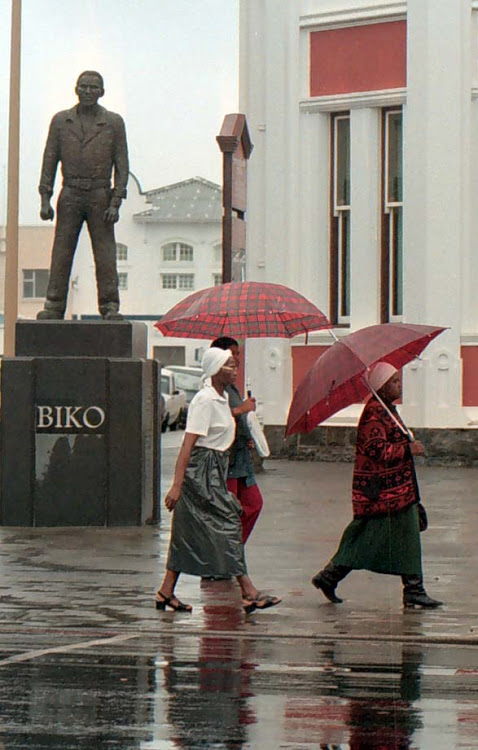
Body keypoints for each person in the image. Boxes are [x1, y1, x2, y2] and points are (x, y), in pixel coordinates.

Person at [155, 347, 281, 614]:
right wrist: (177, 485)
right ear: (214, 370)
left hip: (217, 468)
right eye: (229, 366)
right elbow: (188, 445)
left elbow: (222, 431)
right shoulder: (204, 400)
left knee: (187, 532)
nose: (235, 369)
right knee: (229, 523)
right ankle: (248, 591)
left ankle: (166, 591)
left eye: (235, 365)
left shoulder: (222, 399)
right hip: (201, 471)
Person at [311, 362, 443, 609]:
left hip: (398, 490)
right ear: (381, 387)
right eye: (393, 381)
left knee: (398, 537)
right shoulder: (374, 413)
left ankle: (411, 588)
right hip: (383, 492)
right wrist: (408, 449)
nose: (399, 384)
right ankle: (411, 589)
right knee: (371, 538)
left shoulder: (387, 410)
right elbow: (376, 449)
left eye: (398, 380)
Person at [37, 70, 129, 320]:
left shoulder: (113, 122)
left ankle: (110, 306)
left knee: (105, 253)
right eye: (84, 87)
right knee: (61, 251)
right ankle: (54, 306)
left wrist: (116, 200)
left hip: (101, 194)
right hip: (70, 192)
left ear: (102, 92)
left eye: (94, 87)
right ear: (76, 89)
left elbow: (122, 164)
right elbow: (50, 159)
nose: (88, 91)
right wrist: (45, 197)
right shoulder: (61, 121)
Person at [211, 337, 264, 543]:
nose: (237, 358)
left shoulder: (231, 387)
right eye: (233, 353)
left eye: (239, 353)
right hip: (228, 460)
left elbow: (234, 416)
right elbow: (217, 415)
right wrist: (242, 409)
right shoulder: (214, 387)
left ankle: (232, 548)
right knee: (229, 511)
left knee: (253, 504)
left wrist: (248, 434)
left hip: (241, 459)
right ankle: (225, 553)